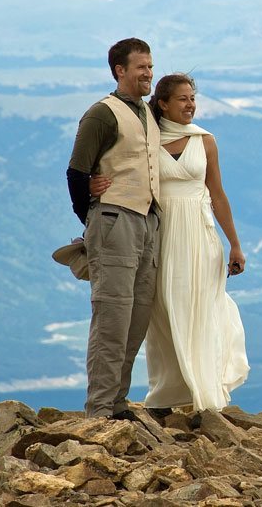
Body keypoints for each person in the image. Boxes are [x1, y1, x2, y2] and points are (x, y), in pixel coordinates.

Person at [91, 73, 248, 413]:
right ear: (162, 104)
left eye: (193, 98)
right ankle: (166, 394)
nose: (190, 104)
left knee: (202, 310)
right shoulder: (147, 138)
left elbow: (217, 194)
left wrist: (234, 243)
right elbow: (121, 173)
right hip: (160, 234)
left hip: (200, 235)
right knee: (162, 313)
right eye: (182, 99)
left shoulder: (205, 140)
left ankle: (206, 398)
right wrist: (94, 185)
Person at [67, 38, 161, 419]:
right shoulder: (102, 114)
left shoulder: (147, 112)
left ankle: (118, 401)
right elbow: (77, 171)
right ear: (120, 71)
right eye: (141, 67)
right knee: (112, 317)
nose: (149, 73)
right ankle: (100, 408)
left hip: (146, 222)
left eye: (151, 67)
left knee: (137, 316)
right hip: (115, 220)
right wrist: (91, 218)